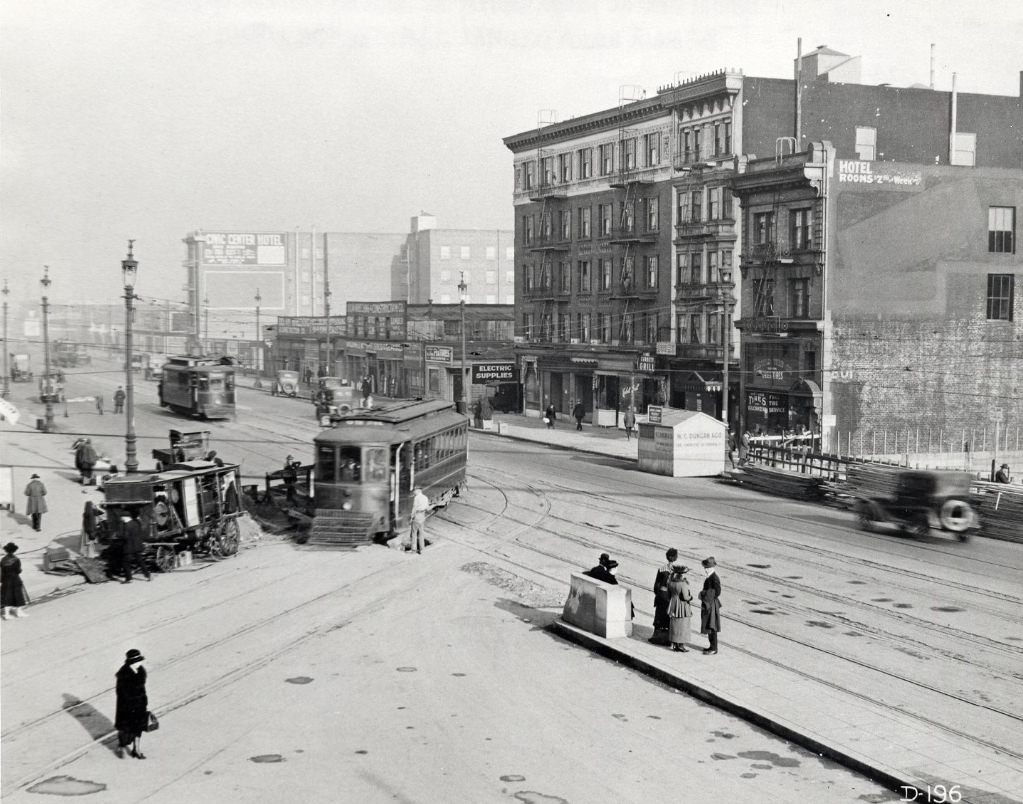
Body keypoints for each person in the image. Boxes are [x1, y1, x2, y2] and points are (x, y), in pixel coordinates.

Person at [115, 649, 149, 759]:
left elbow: (142, 689)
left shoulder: (141, 671)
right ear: (132, 662)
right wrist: (130, 702)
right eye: (138, 661)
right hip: (127, 707)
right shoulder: (123, 674)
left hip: (139, 705)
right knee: (125, 728)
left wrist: (144, 701)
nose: (141, 663)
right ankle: (121, 747)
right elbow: (120, 692)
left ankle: (137, 750)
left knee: (138, 728)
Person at [649, 548, 677, 645]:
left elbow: (656, 585)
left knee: (659, 616)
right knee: (668, 617)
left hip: (661, 595)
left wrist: (658, 594)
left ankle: (656, 637)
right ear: (675, 558)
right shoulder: (676, 571)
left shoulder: (661, 569)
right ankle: (667, 639)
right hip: (670, 597)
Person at [666, 564, 693, 652]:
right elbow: (685, 597)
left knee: (674, 624)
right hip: (682, 606)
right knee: (683, 625)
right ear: (682, 575)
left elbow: (668, 595)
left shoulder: (670, 582)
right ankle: (681, 645)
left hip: (673, 604)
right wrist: (690, 597)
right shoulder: (683, 584)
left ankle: (675, 644)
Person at [1, 542, 30, 619]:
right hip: (15, 579)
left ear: (6, 550)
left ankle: (6, 614)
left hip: (6, 580)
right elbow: (18, 571)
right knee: (18, 595)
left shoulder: (3, 560)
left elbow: (2, 571)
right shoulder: (16, 560)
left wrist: (1, 580)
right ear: (14, 551)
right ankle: (19, 612)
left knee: (7, 596)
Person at [699, 556, 722, 655]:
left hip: (711, 604)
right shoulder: (711, 577)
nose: (705, 570)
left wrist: (705, 594)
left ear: (712, 568)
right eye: (705, 568)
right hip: (709, 603)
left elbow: (717, 592)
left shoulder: (714, 578)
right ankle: (711, 646)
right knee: (709, 625)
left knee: (712, 626)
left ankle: (714, 648)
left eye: (707, 568)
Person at [121, 510, 151, 583]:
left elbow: (126, 537)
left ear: (125, 517)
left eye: (122, 517)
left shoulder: (127, 525)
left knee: (125, 562)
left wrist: (121, 537)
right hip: (137, 546)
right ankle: (148, 575)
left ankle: (129, 578)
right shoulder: (136, 523)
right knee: (140, 561)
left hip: (129, 547)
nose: (121, 519)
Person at [408, 487, 432, 554]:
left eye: (414, 491)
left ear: (418, 491)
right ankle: (422, 549)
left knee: (414, 533)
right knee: (421, 533)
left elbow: (414, 508)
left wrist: (411, 517)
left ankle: (413, 550)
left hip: (417, 515)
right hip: (423, 516)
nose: (413, 492)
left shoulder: (416, 498)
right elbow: (427, 508)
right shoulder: (425, 497)